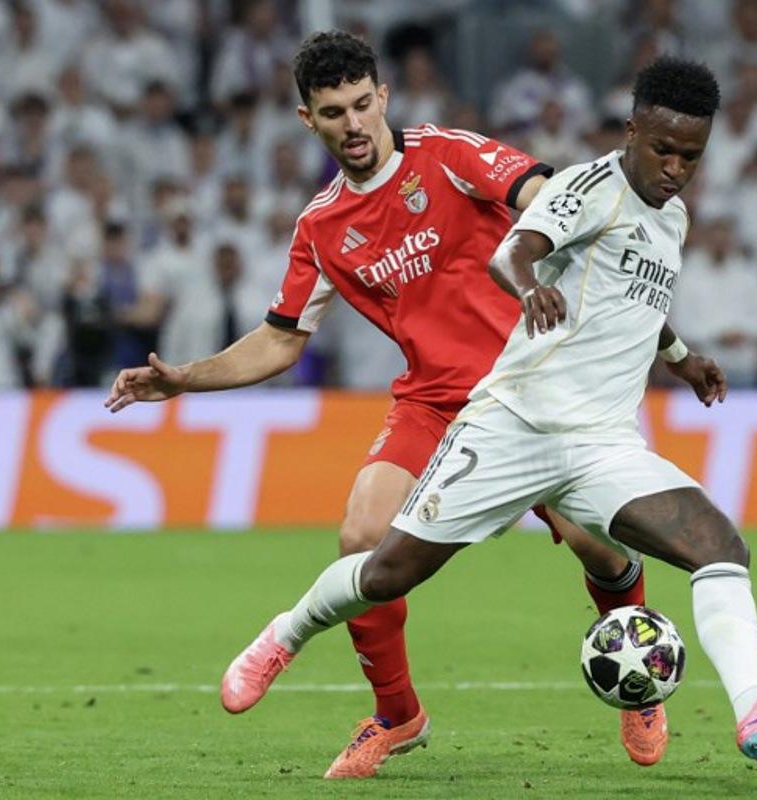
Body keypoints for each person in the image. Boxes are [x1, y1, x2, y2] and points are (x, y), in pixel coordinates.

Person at [228, 56, 757, 768]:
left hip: (599, 444)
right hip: (512, 427)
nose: (676, 168)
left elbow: (629, 302)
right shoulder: (587, 185)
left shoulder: (670, 217)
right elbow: (515, 251)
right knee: (382, 572)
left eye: (691, 156)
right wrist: (528, 285)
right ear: (632, 132)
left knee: (720, 547)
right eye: (663, 150)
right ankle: (287, 631)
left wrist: (679, 354)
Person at [104, 31, 658, 777]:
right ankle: (398, 716)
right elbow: (278, 341)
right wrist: (184, 380)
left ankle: (640, 684)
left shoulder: (451, 157)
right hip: (432, 402)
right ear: (309, 120)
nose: (354, 124)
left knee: (602, 547)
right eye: (334, 112)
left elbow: (541, 196)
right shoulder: (322, 228)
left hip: (534, 388)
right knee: (360, 536)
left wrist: (559, 237)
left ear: (384, 96)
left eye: (364, 104)